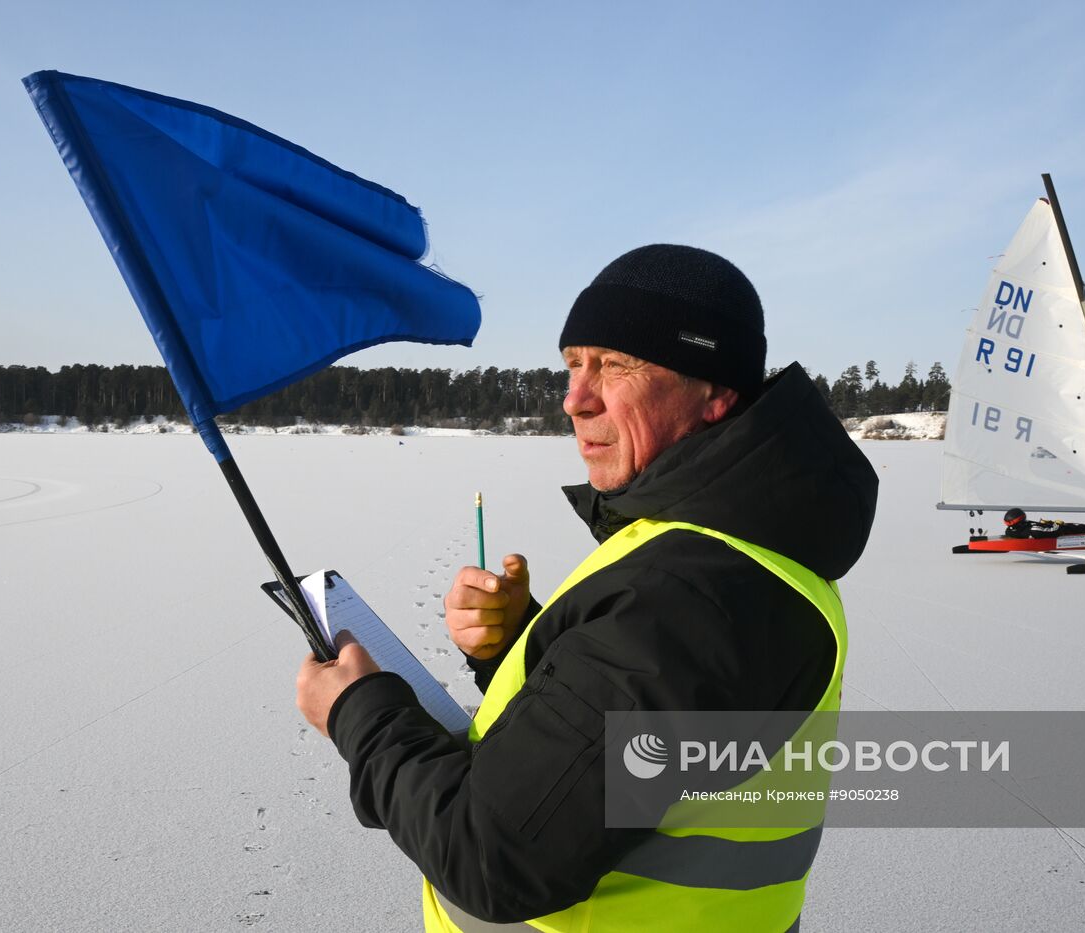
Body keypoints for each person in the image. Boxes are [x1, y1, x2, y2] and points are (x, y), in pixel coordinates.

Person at [295, 244, 879, 931]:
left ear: (716, 392)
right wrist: (515, 641)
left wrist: (360, 713)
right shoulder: (724, 550)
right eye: (573, 363)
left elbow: (491, 854)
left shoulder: (696, 590)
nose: (575, 399)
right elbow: (625, 740)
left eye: (617, 364)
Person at [1002, 507, 1085, 539]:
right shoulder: (1034, 530)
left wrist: (1046, 523)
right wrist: (1057, 524)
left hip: (1050, 531)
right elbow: (1055, 531)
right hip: (1064, 532)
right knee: (1083, 528)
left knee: (1082, 527)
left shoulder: (1012, 530)